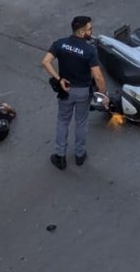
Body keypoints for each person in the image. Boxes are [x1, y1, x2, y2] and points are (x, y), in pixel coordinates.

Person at [42, 16, 107, 170]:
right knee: (81, 122)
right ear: (82, 31)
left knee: (63, 122)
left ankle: (60, 156)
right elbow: (98, 77)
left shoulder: (60, 43)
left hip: (66, 90)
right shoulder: (89, 50)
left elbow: (45, 62)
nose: (91, 31)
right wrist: (103, 95)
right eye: (90, 29)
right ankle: (79, 155)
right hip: (83, 92)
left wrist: (59, 79)